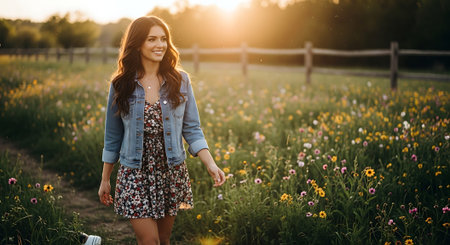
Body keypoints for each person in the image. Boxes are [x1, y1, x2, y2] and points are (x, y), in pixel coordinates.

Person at [97, 16, 226, 245]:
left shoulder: (180, 80)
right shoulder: (121, 84)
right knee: (150, 241)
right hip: (135, 173)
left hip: (170, 172)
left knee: (164, 240)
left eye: (164, 39)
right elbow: (113, 135)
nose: (160, 45)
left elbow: (192, 128)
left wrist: (211, 164)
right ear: (137, 44)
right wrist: (105, 178)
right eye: (152, 39)